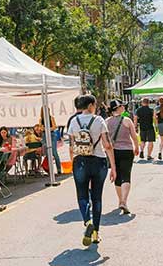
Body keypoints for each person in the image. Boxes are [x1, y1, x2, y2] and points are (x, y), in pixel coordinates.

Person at [68, 94, 116, 246]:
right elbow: (107, 145)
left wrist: (73, 163)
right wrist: (113, 167)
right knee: (97, 198)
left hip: (80, 161)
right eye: (95, 105)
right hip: (99, 161)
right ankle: (95, 233)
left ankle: (87, 221)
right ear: (90, 106)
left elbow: (71, 145)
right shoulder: (99, 120)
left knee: (82, 195)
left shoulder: (73, 121)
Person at [106, 100, 138, 214]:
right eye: (122, 106)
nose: (124, 107)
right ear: (118, 108)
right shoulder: (127, 121)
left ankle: (120, 200)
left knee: (117, 176)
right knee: (126, 175)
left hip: (113, 152)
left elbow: (104, 139)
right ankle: (124, 201)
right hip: (127, 151)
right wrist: (137, 147)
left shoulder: (107, 122)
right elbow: (134, 136)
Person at [40, 108, 61, 175]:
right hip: (44, 135)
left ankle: (59, 169)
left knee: (54, 152)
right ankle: (49, 170)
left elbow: (54, 127)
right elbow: (41, 127)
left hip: (51, 135)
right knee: (47, 152)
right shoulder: (41, 119)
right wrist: (44, 129)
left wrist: (47, 129)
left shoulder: (51, 118)